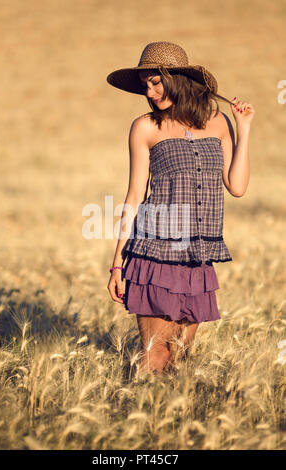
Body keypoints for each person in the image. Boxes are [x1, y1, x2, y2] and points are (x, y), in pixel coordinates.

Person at [106, 41, 255, 376]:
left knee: (179, 358)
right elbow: (133, 196)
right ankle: (139, 420)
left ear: (176, 78)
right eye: (145, 84)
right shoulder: (145, 127)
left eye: (156, 81)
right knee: (155, 355)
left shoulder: (218, 123)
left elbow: (238, 187)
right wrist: (117, 264)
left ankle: (170, 424)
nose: (150, 90)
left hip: (198, 257)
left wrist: (243, 130)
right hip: (155, 252)